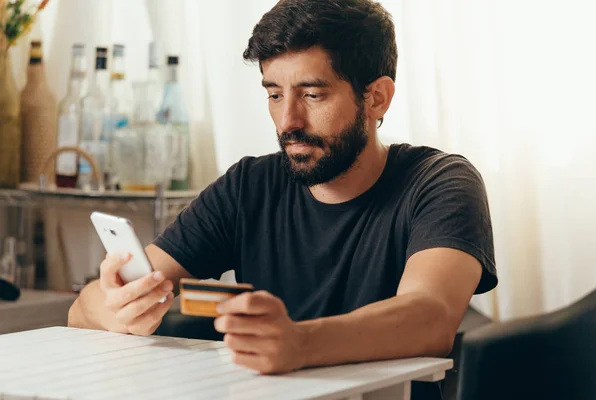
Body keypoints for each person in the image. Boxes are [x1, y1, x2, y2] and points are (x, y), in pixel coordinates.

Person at [68, 0, 497, 398]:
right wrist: (116, 309)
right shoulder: (248, 186)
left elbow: (430, 317)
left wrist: (300, 342)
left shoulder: (440, 183)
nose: (288, 121)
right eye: (274, 95)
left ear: (376, 96)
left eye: (313, 95)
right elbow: (83, 310)